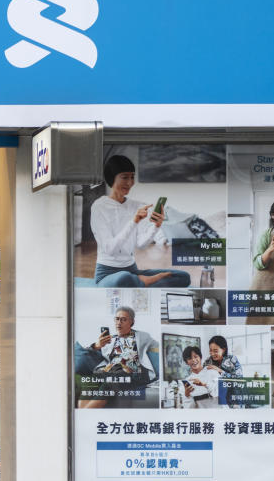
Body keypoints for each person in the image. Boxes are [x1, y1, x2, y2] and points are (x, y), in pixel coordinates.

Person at [90, 154, 191, 288]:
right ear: (111, 178)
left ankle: (139, 281)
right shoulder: (99, 206)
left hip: (132, 270)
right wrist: (134, 221)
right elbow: (110, 249)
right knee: (123, 279)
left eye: (132, 177)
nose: (130, 182)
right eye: (125, 177)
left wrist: (156, 226)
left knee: (183, 277)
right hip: (107, 273)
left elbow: (141, 244)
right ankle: (144, 281)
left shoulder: (135, 206)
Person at [77, 305, 160, 409]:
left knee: (109, 382)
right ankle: (83, 412)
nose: (119, 322)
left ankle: (86, 413)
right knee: (90, 381)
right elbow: (89, 352)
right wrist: (97, 345)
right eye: (117, 319)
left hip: (132, 374)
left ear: (132, 322)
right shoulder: (110, 339)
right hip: (109, 371)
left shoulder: (142, 336)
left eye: (123, 319)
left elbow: (159, 345)